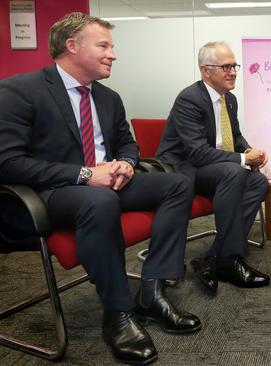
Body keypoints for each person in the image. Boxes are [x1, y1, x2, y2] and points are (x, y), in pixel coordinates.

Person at [0, 12, 202, 364]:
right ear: (72, 46)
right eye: (104, 45)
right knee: (99, 201)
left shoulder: (109, 97)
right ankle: (117, 313)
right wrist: (83, 174)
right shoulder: (19, 90)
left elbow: (127, 144)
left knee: (178, 183)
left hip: (107, 182)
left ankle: (152, 291)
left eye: (112, 46)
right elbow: (7, 162)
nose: (113, 54)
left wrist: (125, 161)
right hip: (51, 191)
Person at [157, 41, 270, 294]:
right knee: (234, 171)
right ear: (205, 71)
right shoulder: (190, 99)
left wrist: (250, 151)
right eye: (225, 67)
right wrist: (243, 160)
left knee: (258, 181)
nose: (232, 72)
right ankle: (229, 259)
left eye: (234, 66)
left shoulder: (229, 99)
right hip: (183, 169)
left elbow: (236, 136)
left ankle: (213, 257)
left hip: (212, 166)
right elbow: (196, 152)